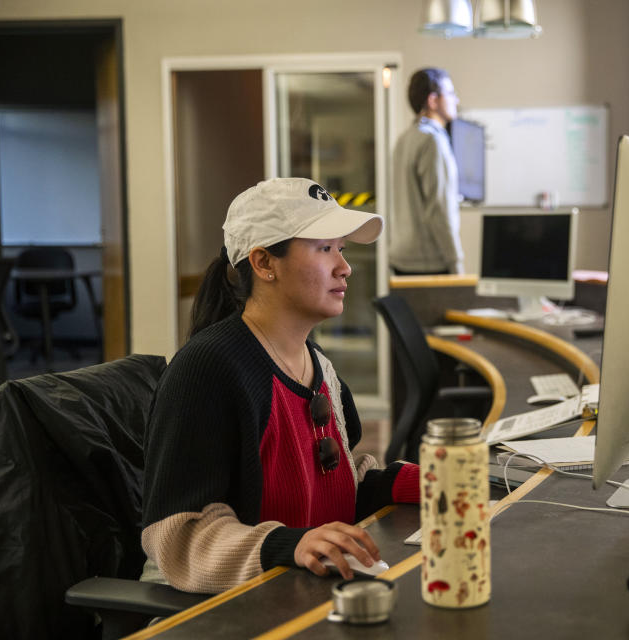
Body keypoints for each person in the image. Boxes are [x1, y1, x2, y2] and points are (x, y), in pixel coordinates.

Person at [141, 177, 419, 593]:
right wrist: (288, 545)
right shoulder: (209, 368)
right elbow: (180, 536)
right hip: (231, 609)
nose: (344, 267)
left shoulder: (319, 365)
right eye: (325, 248)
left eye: (341, 249)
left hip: (307, 591)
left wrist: (427, 481)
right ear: (264, 263)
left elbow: (338, 493)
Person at [389, 67, 464, 275]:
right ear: (433, 101)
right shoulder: (433, 141)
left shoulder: (405, 139)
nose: (456, 100)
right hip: (428, 263)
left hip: (402, 258)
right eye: (450, 93)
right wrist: (456, 260)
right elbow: (439, 209)